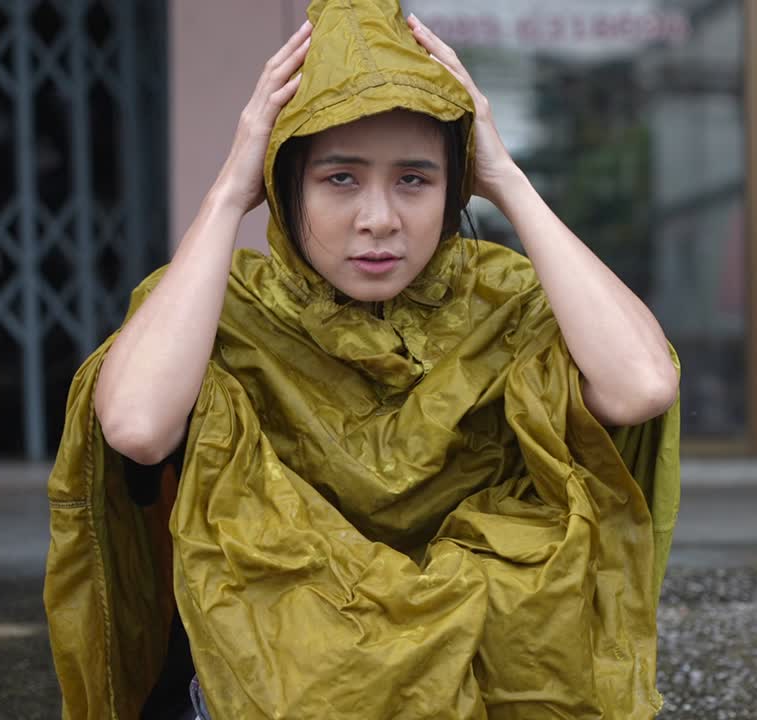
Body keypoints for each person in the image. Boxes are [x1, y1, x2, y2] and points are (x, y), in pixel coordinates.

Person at [42, 0, 681, 718]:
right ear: (285, 185)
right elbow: (135, 424)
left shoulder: (504, 301)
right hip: (273, 682)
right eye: (339, 178)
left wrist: (505, 175)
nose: (379, 218)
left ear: (453, 189)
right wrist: (228, 191)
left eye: (415, 179)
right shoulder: (224, 310)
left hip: (485, 680)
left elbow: (643, 384)